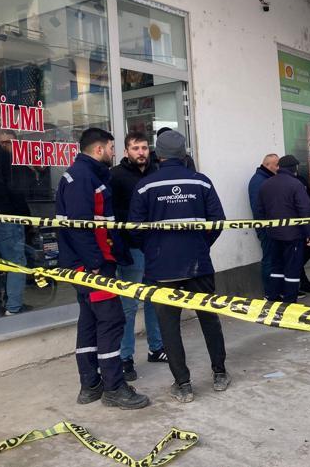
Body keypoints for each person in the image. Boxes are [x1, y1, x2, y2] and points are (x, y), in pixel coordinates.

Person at [129, 130, 229, 403]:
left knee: (169, 326)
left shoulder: (146, 185)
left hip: (161, 268)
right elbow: (218, 221)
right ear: (183, 153)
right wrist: (201, 245)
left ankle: (183, 385)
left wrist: (152, 250)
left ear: (158, 155)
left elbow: (134, 229)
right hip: (198, 264)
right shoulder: (201, 182)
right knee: (209, 318)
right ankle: (220, 373)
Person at [56, 127, 150, 409]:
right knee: (111, 321)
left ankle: (91, 384)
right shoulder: (84, 178)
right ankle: (114, 387)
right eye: (111, 148)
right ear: (99, 149)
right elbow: (80, 226)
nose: (113, 152)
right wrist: (96, 264)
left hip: (86, 265)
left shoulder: (85, 174)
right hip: (92, 267)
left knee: (89, 321)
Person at [110, 131, 166, 382]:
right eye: (135, 148)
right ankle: (125, 358)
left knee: (154, 300)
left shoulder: (157, 173)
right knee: (129, 305)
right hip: (131, 249)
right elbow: (111, 214)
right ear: (126, 152)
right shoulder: (115, 176)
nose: (141, 152)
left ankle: (156, 348)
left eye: (144, 148)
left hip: (155, 247)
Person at [257, 155, 310, 303]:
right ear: (294, 168)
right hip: (293, 235)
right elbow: (305, 210)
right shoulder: (296, 184)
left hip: (273, 234)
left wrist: (267, 228)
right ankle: (290, 300)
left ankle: (273, 297)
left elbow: (259, 210)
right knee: (292, 268)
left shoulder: (265, 184)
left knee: (276, 267)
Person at [0, 130, 31, 316]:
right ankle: (14, 307)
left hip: (5, 215)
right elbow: (15, 190)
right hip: (6, 216)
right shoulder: (5, 158)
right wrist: (26, 218)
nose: (7, 146)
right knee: (16, 262)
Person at [247, 153, 279, 299]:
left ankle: (276, 291)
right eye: (276, 164)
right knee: (269, 259)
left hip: (273, 227)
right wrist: (268, 226)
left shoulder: (267, 179)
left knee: (274, 259)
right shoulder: (259, 181)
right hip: (267, 228)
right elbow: (258, 208)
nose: (278, 168)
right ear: (267, 165)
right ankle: (270, 294)